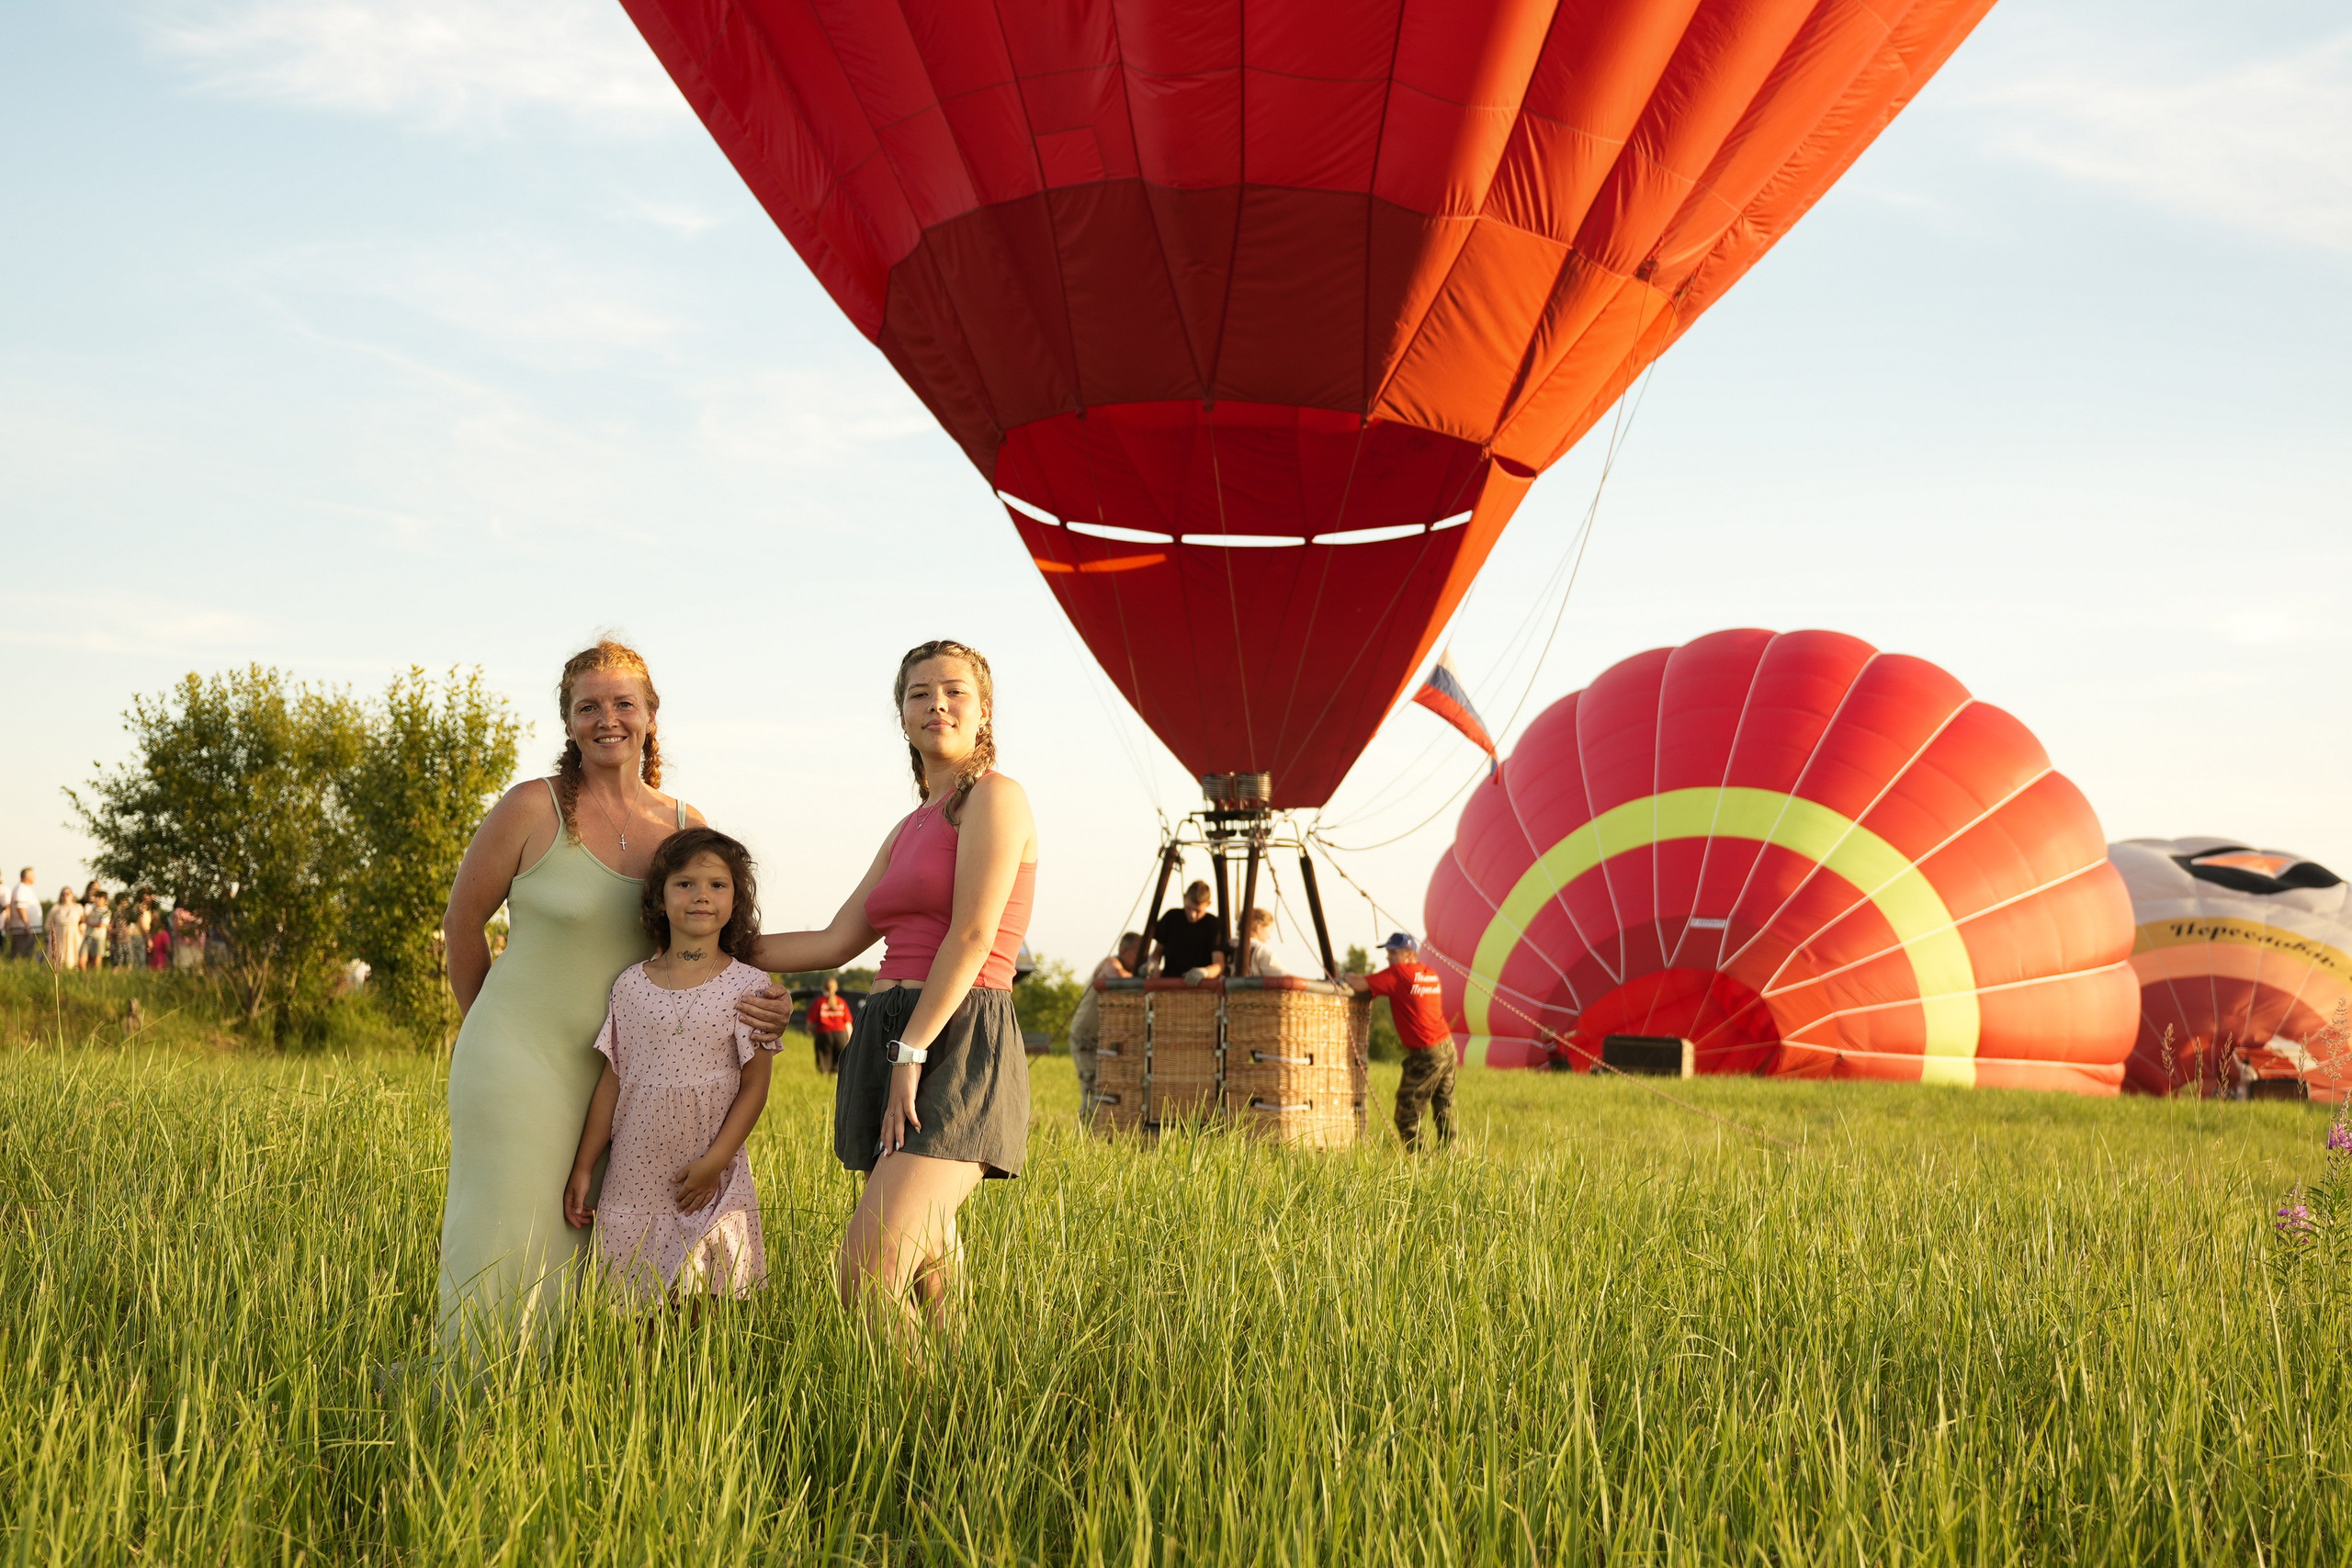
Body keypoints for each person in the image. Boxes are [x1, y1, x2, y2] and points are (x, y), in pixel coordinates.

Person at [734, 638, 1036, 1345]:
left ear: (984, 710)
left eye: (955, 691)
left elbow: (972, 936)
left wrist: (912, 1050)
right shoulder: (909, 827)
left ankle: (939, 1407)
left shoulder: (995, 797)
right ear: (900, 715)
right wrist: (710, 942)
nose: (937, 704)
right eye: (919, 693)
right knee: (929, 1273)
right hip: (889, 1024)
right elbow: (835, 940)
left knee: (867, 1273)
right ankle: (951, 1406)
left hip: (955, 1030)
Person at [436, 638, 709, 1360]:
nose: (607, 719)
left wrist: (764, 1000)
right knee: (509, 1242)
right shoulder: (532, 807)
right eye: (588, 706)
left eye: (623, 703)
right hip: (518, 1059)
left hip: (625, 1077)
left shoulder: (687, 827)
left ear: (651, 715)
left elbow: (715, 946)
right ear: (568, 721)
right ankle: (470, 1394)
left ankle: (551, 1400)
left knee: (599, 1248)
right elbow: (462, 923)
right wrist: (488, 1030)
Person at [564, 828, 780, 1314]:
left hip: (710, 1174)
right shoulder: (629, 986)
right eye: (685, 884)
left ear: (735, 901)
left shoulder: (750, 986)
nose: (701, 895)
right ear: (660, 899)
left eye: (717, 885)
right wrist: (583, 1166)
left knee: (708, 1312)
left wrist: (714, 1163)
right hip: (634, 1174)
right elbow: (612, 1082)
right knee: (634, 1316)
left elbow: (755, 1087)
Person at [1344, 932, 1456, 1150]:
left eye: (1394, 953)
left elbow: (1358, 984)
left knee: (1406, 1114)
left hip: (1427, 1053)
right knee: (1445, 1105)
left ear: (1409, 954)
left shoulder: (1399, 973)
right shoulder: (1430, 974)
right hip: (1447, 1046)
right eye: (1388, 952)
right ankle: (1450, 1157)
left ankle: (1420, 1161)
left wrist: (1345, 975)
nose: (1389, 957)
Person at [1065, 931, 1143, 1122]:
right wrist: (1143, 978)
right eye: (1139, 953)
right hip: (1085, 1038)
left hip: (1102, 1039)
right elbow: (1117, 976)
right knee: (1092, 1089)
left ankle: (1102, 1129)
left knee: (1108, 1090)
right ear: (1124, 952)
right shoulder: (1109, 963)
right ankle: (1086, 1133)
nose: (1142, 958)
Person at [1151, 880, 1227, 982]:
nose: (1192, 915)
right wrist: (1152, 964)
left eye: (1198, 911)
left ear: (1208, 904)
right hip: (1170, 984)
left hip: (1200, 986)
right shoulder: (1171, 917)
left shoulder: (1214, 925)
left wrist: (1205, 972)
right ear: (1184, 897)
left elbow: (1219, 964)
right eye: (1188, 908)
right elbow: (1157, 952)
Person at [808, 976, 854, 1076]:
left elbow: (811, 1020)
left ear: (823, 988)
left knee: (824, 1060)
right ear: (836, 988)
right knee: (839, 1061)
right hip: (841, 1035)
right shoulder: (841, 1002)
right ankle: (835, 1079)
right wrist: (850, 1037)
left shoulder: (819, 1002)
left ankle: (824, 1078)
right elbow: (847, 1023)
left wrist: (809, 1029)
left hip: (824, 1034)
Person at [1238, 908, 1292, 978]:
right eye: (1270, 930)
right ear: (1259, 928)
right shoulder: (1261, 950)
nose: (1269, 937)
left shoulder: (1228, 946)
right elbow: (1283, 978)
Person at [3, 869, 39, 962]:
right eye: (33, 875)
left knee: (27, 955)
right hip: (23, 930)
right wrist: (26, 924)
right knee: (20, 956)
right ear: (27, 877)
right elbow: (20, 908)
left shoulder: (25, 888)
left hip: (26, 929)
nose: (35, 877)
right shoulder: (21, 889)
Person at [46, 887, 83, 971]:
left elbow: (82, 922)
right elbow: (49, 923)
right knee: (59, 953)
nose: (65, 896)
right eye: (63, 894)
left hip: (74, 934)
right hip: (59, 934)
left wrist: (82, 933)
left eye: (68, 894)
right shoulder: (56, 908)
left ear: (72, 895)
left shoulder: (78, 908)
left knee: (73, 953)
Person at [81, 888, 111, 970]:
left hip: (99, 938)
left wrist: (88, 922)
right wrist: (86, 913)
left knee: (96, 961)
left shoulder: (106, 912)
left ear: (105, 900)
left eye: (100, 898)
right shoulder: (90, 908)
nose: (97, 900)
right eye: (96, 897)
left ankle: (96, 976)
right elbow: (82, 919)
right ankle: (84, 975)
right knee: (81, 959)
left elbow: (101, 924)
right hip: (87, 936)